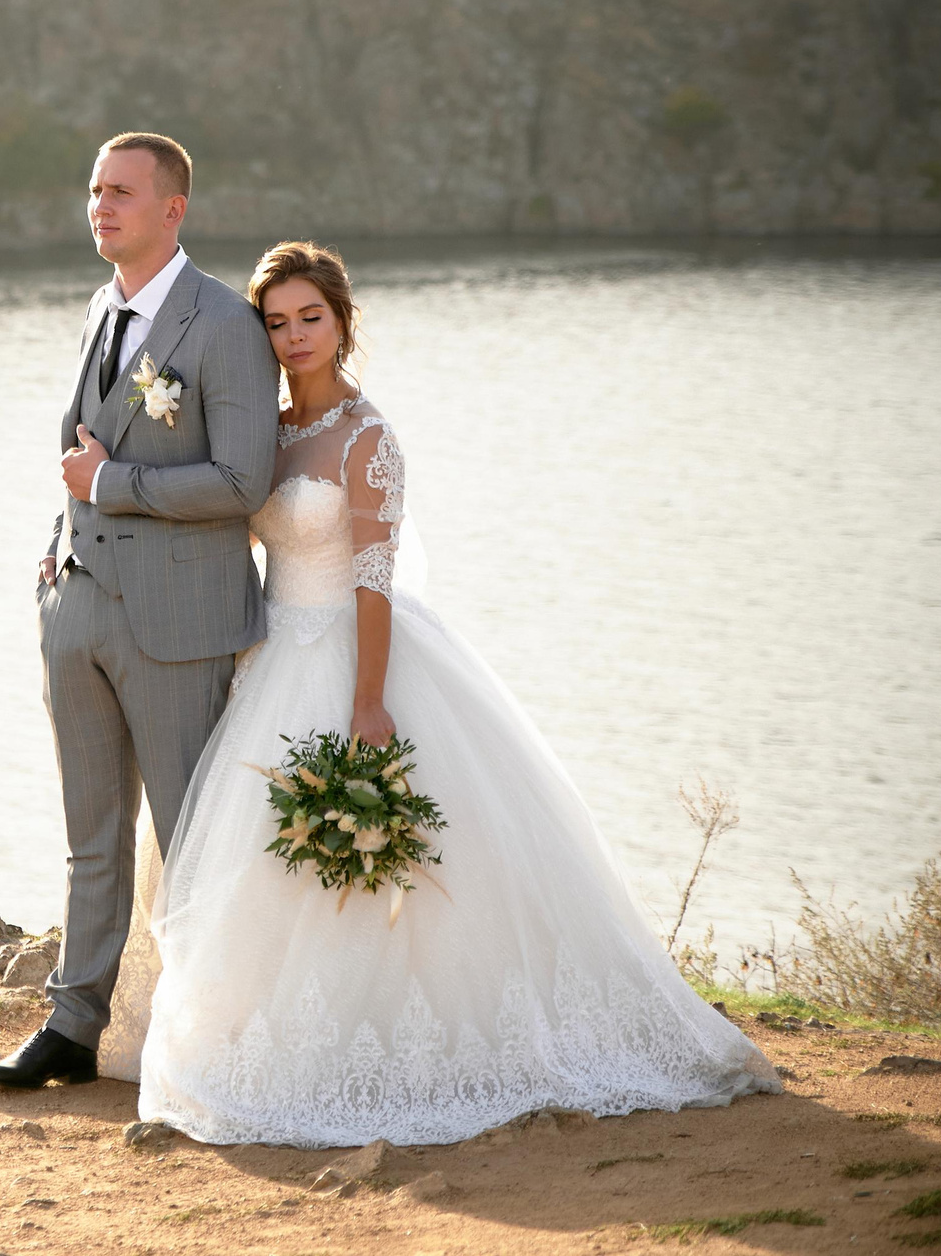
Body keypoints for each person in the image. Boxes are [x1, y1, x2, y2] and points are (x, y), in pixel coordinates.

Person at [113, 240, 778, 1144]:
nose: (296, 334)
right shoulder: (263, 428)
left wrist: (370, 699)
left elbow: (375, 580)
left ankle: (414, 1045)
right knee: (263, 858)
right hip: (266, 659)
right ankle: (262, 1037)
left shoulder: (366, 435)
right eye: (278, 321)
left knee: (381, 863)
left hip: (353, 653)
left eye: (313, 317)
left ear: (344, 322)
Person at [0, 133, 280, 1090]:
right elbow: (79, 451)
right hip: (76, 607)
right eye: (94, 189)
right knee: (91, 831)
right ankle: (73, 1023)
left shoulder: (225, 323)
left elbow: (243, 479)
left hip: (179, 617)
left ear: (173, 209)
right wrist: (53, 557)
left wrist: (117, 482)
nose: (100, 206)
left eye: (122, 192)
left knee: (190, 833)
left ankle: (212, 1036)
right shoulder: (99, 309)